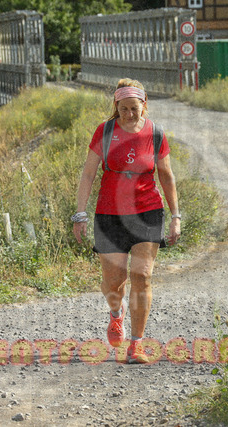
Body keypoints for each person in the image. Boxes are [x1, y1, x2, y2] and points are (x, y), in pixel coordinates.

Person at [72, 78, 181, 364]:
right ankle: (116, 314)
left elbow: (166, 176)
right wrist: (80, 214)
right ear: (116, 107)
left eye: (135, 108)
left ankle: (137, 345)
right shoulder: (105, 131)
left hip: (147, 211)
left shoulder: (155, 133)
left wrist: (176, 217)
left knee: (142, 276)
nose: (130, 114)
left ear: (144, 105)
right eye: (124, 109)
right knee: (114, 281)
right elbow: (88, 174)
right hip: (110, 213)